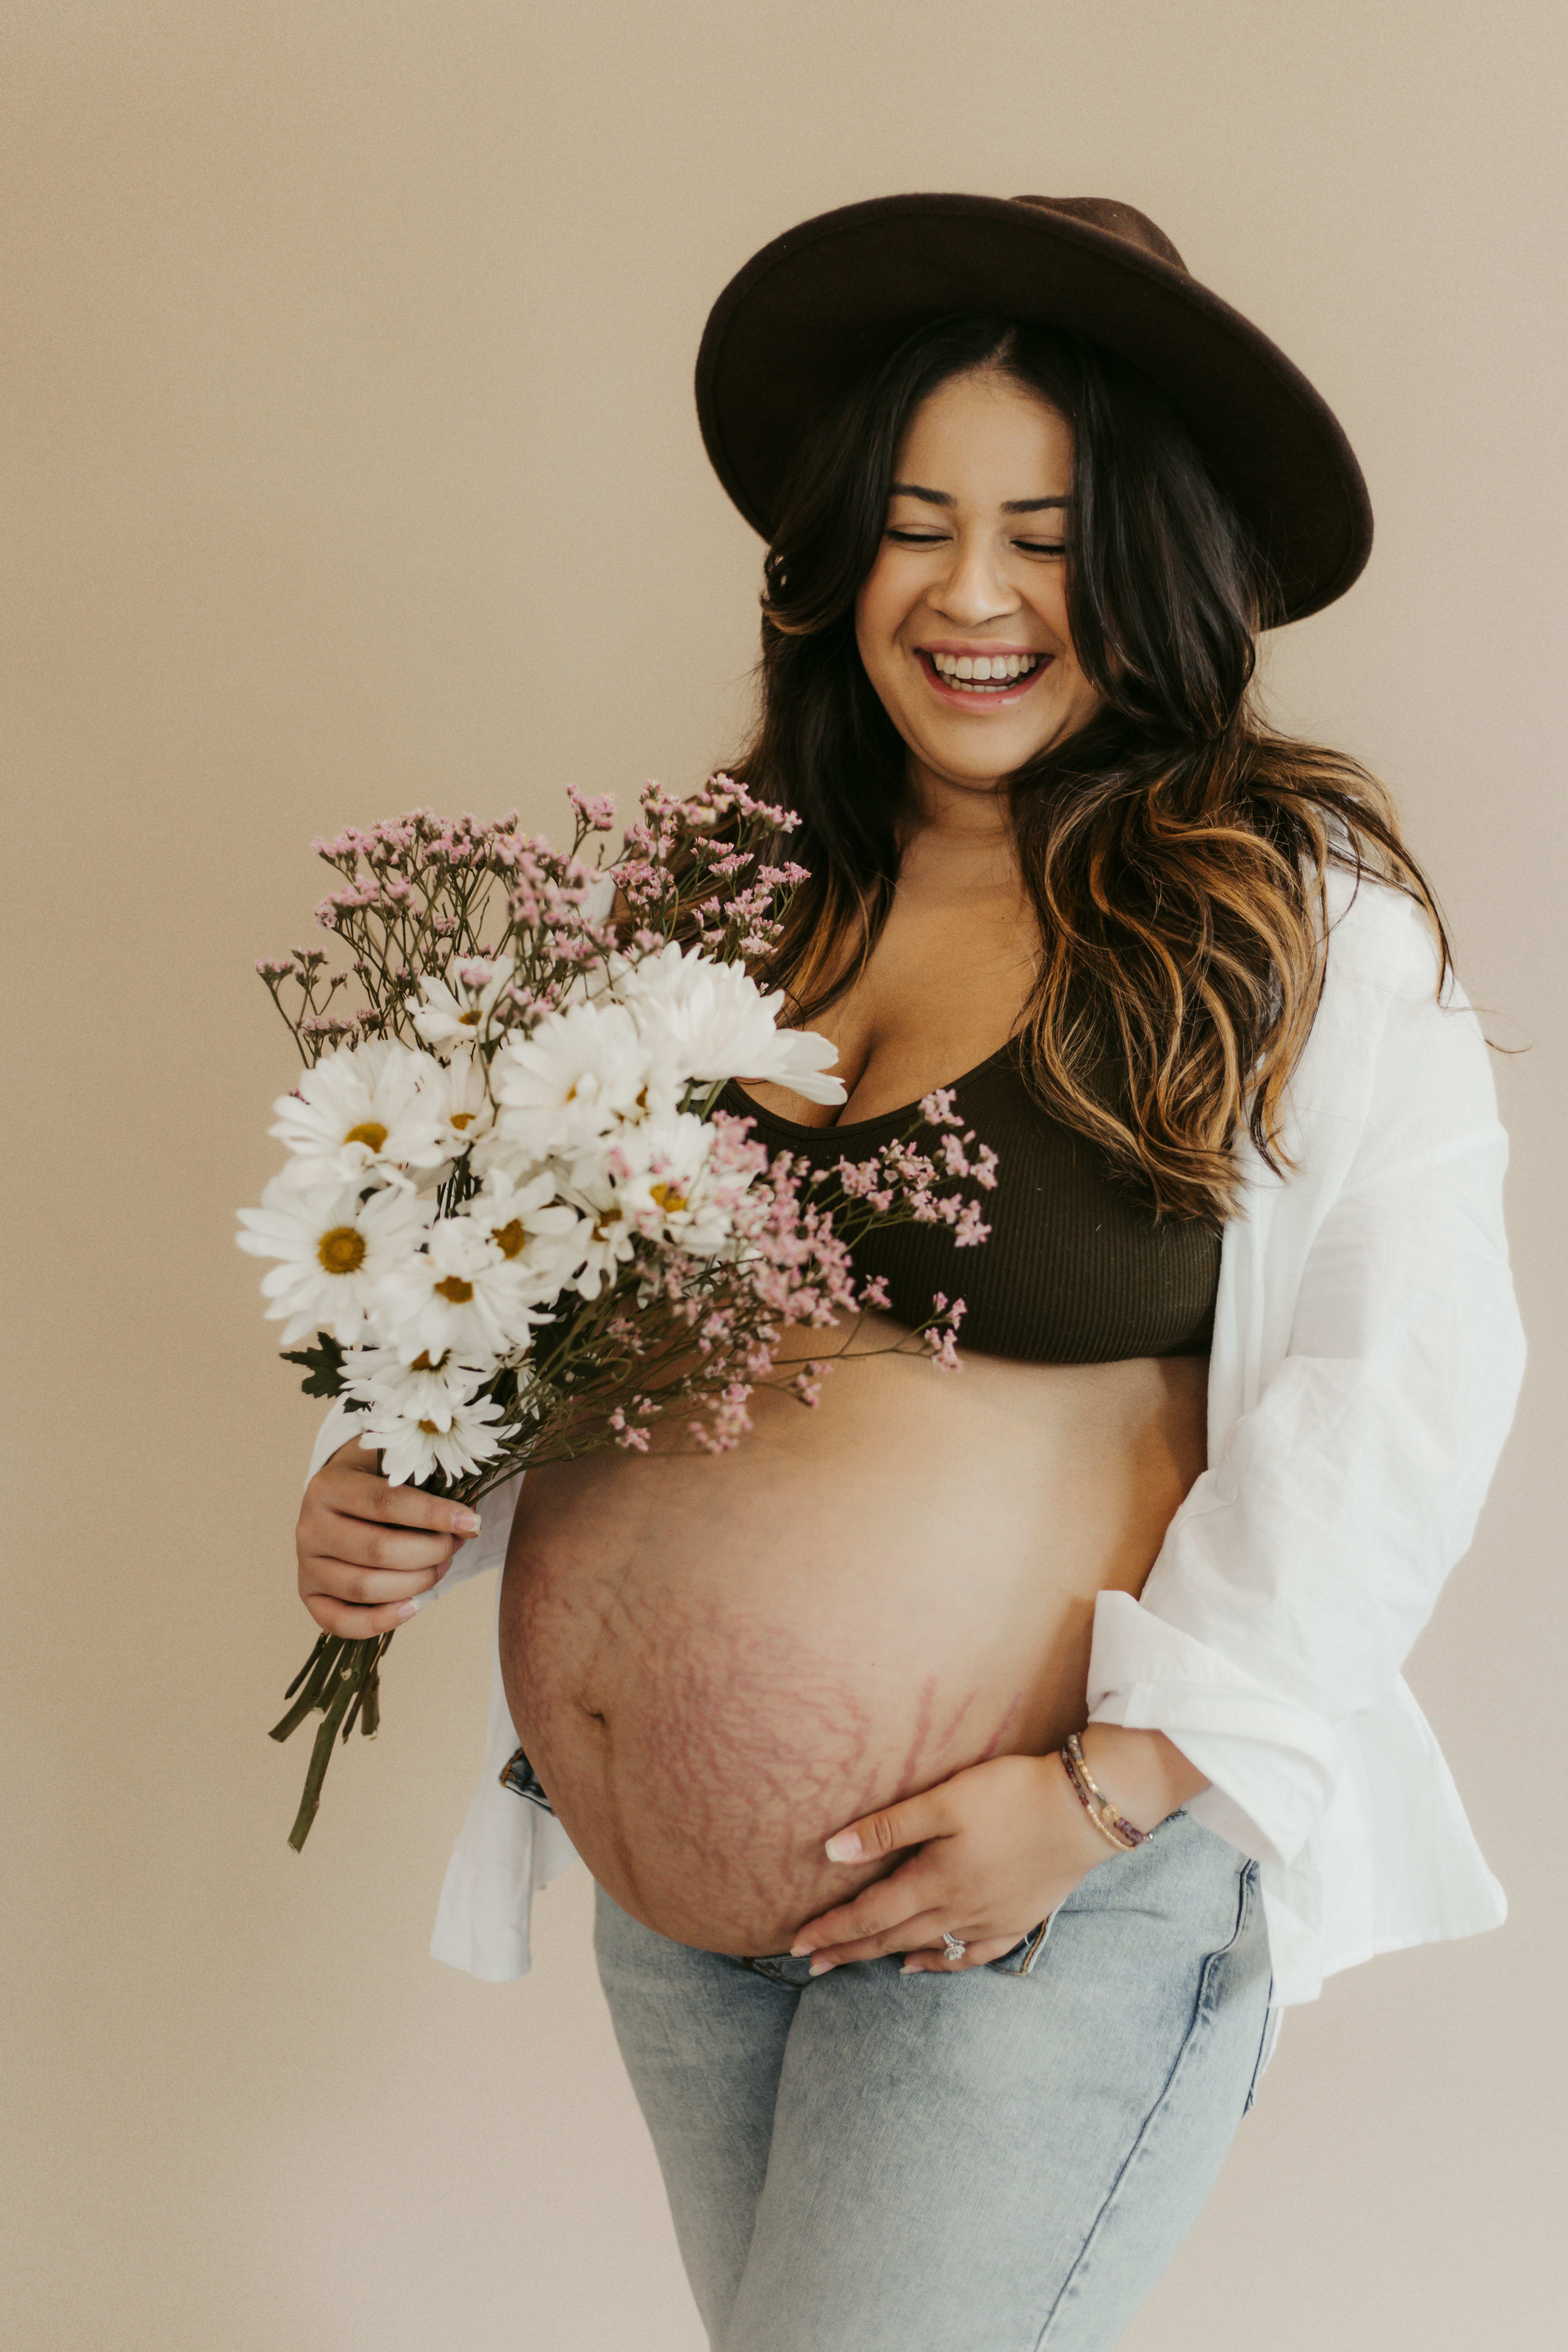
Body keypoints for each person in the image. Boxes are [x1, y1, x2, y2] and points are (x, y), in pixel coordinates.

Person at [292, 196, 1525, 2350]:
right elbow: (543, 1295)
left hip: (1030, 1902)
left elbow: (1400, 1381)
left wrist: (1108, 1795)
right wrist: (403, 1487)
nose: (969, 596)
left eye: (1047, 535)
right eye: (915, 523)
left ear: (1152, 567)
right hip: (685, 1937)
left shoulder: (1288, 915)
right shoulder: (725, 886)